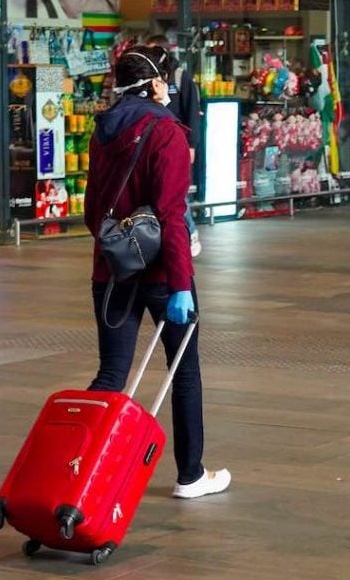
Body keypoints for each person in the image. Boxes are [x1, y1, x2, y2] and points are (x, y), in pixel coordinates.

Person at [83, 45, 231, 498]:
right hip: (163, 274)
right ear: (155, 84)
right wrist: (182, 284)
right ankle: (190, 474)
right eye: (166, 78)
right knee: (183, 368)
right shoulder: (165, 132)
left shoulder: (101, 131)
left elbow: (93, 212)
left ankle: (77, 468)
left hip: (112, 269)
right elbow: (171, 215)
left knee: (111, 374)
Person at [145, 33, 203, 257]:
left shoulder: (179, 77)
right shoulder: (150, 78)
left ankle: (191, 231)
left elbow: (192, 113)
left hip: (176, 145)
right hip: (156, 145)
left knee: (177, 192)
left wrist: (191, 146)